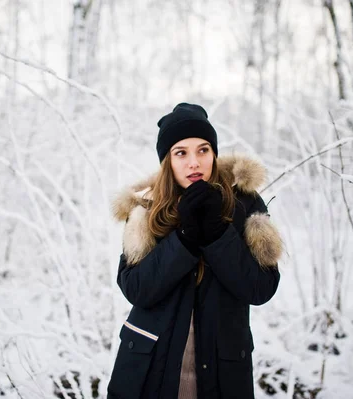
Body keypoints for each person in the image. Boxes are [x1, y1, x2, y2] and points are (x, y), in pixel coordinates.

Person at [107, 103, 283, 399]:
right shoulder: (145, 209)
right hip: (148, 371)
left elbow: (260, 288)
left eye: (203, 150)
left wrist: (217, 233)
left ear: (214, 154)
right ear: (167, 160)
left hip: (222, 373)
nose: (194, 163)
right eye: (181, 153)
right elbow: (136, 289)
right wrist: (184, 238)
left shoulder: (245, 205)